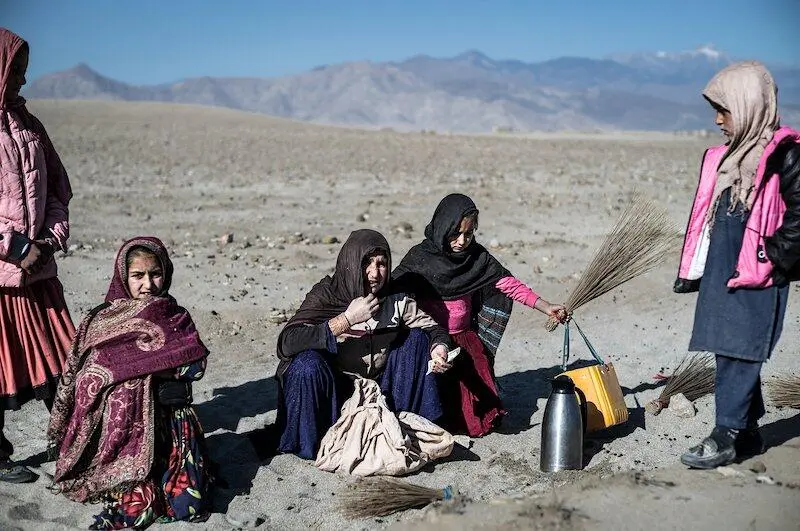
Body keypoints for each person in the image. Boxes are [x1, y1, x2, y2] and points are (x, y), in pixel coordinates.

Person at [674, 61, 800, 469]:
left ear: (748, 108)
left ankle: (725, 432)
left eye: (723, 110)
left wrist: (774, 257)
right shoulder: (726, 158)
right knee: (726, 346)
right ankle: (746, 433)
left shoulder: (787, 155)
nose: (717, 120)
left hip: (760, 271)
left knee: (742, 350)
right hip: (724, 265)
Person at [48, 237, 213, 529]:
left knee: (189, 501)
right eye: (138, 276)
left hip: (166, 420)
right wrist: (138, 376)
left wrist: (148, 375)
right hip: (110, 425)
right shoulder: (100, 319)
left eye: (155, 273)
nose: (148, 284)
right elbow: (82, 373)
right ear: (124, 277)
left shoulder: (175, 316)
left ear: (167, 273)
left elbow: (195, 366)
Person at [392, 193, 568, 437]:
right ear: (443, 227)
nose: (462, 241)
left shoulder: (478, 258)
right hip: (428, 341)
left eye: (469, 234)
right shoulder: (420, 258)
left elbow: (508, 284)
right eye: (456, 233)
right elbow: (391, 290)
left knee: (478, 386)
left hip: (464, 339)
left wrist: (545, 306)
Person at [275, 229, 452, 460]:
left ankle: (406, 426)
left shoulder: (396, 298)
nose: (374, 273)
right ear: (351, 263)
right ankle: (311, 442)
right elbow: (286, 343)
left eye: (381, 264)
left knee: (417, 340)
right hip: (336, 394)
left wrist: (440, 348)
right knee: (305, 364)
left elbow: (433, 329)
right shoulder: (327, 294)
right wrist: (346, 320)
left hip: (382, 391)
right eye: (366, 263)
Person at [0, 28, 75, 483]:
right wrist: (15, 248)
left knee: (64, 360)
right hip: (2, 279)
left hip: (40, 270)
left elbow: (58, 188)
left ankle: (73, 438)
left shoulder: (29, 124)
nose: (23, 83)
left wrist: (49, 240)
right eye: (16, 73)